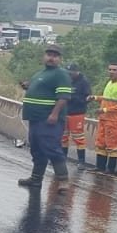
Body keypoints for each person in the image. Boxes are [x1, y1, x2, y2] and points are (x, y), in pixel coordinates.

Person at [16, 44, 72, 190]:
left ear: (59, 59)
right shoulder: (40, 73)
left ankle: (63, 181)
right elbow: (41, 87)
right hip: (35, 118)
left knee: (51, 148)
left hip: (48, 119)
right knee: (37, 149)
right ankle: (36, 179)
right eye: (48, 54)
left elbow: (64, 96)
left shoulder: (61, 74)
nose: (51, 58)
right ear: (44, 56)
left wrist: (54, 114)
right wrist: (29, 85)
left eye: (54, 55)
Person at [90, 62, 117, 174]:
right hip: (103, 119)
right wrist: (95, 97)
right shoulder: (109, 83)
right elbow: (107, 98)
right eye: (110, 69)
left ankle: (110, 169)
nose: (111, 72)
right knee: (101, 143)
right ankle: (100, 167)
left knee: (112, 145)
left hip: (114, 120)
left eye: (114, 70)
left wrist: (105, 110)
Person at [64, 62, 92, 167]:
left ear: (76, 71)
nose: (69, 75)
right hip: (65, 112)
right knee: (63, 137)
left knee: (78, 138)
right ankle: (62, 158)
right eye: (68, 73)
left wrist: (74, 98)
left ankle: (81, 161)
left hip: (77, 113)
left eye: (71, 73)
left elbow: (88, 98)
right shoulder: (66, 80)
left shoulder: (83, 82)